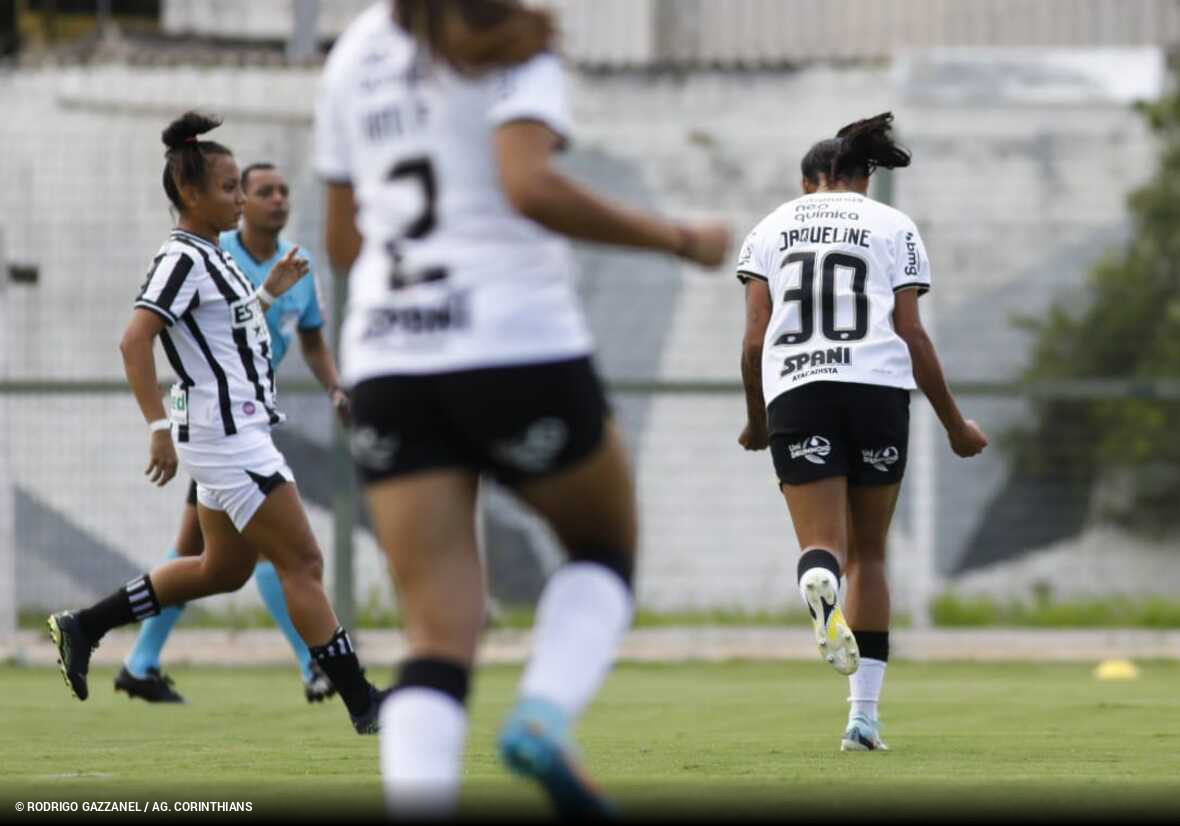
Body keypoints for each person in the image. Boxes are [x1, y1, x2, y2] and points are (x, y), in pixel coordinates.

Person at [315, 0, 728, 816]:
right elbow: (529, 184)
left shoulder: (352, 53)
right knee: (602, 547)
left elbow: (341, 242)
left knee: (435, 634)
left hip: (390, 357)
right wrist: (679, 237)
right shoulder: (508, 31)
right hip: (514, 343)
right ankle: (542, 716)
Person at [48, 112, 384, 735]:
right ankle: (365, 704)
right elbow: (135, 342)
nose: (239, 199)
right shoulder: (181, 255)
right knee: (304, 563)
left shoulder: (211, 257)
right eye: (230, 187)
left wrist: (267, 296)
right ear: (190, 194)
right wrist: (157, 426)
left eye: (240, 187)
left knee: (221, 570)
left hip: (234, 435)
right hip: (230, 441)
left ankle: (83, 626)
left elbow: (220, 336)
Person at [736, 113, 988, 752]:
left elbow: (754, 341)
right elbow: (913, 333)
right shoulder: (894, 226)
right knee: (870, 554)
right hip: (876, 388)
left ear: (808, 180)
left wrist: (757, 419)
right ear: (863, 178)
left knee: (822, 545)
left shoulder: (769, 228)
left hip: (798, 387)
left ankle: (816, 581)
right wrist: (955, 425)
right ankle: (863, 720)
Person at [114, 162, 350, 705]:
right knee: (271, 550)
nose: (276, 199)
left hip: (249, 418)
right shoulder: (212, 255)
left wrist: (336, 387)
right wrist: (166, 426)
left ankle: (138, 660)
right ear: (236, 196)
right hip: (211, 421)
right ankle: (314, 662)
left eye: (283, 189)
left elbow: (311, 340)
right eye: (262, 190)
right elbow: (158, 346)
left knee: (199, 550)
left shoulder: (296, 264)